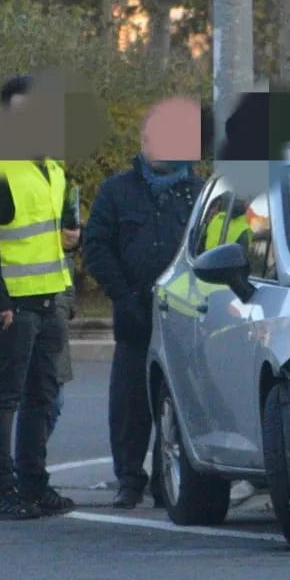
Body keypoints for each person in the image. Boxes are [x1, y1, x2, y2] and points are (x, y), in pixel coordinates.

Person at [0, 75, 80, 521]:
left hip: (48, 298)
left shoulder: (51, 168)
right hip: (9, 305)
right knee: (4, 399)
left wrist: (72, 240)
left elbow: (46, 237)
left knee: (41, 397)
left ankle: (33, 484)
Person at [80, 97, 203, 509]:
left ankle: (168, 480)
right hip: (135, 315)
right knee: (130, 405)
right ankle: (129, 479)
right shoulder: (116, 192)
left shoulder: (199, 194)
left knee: (178, 399)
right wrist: (124, 295)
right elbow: (97, 247)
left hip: (184, 317)